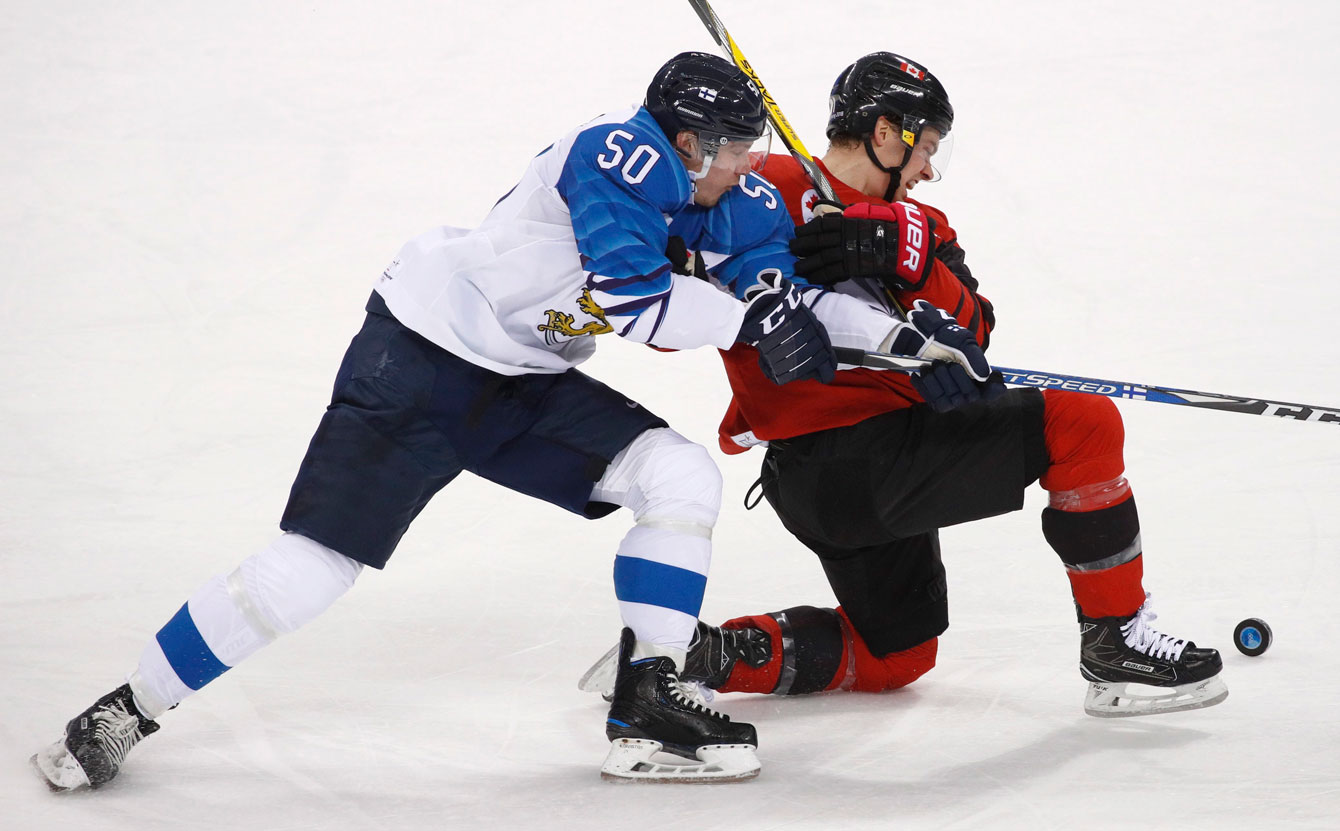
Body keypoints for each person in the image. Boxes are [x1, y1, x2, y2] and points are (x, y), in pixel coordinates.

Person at [32, 51, 971, 789]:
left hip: (526, 382)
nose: (748, 165)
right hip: (422, 361)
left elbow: (786, 299)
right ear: (687, 142)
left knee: (677, 476)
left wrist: (904, 339)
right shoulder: (615, 153)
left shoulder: (728, 196)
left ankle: (644, 709)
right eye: (731, 150)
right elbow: (639, 301)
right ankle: (125, 710)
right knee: (311, 569)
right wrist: (749, 318)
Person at [581, 51, 1228, 719]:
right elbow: (655, 296)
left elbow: (977, 329)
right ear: (886, 133)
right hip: (847, 461)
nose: (926, 171)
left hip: (848, 470)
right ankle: (1118, 643)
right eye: (928, 148)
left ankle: (692, 653)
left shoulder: (922, 224)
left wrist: (904, 249)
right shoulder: (755, 186)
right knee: (1084, 421)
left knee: (895, 657)